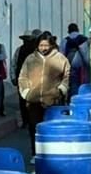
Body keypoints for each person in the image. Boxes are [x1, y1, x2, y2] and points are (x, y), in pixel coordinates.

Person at [18, 32, 70, 162]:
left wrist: (59, 91)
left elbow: (67, 78)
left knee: (52, 129)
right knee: (34, 128)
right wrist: (26, 93)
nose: (43, 48)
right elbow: (22, 77)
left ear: (51, 45)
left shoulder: (61, 59)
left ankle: (53, 154)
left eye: (46, 45)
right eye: (41, 45)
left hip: (53, 102)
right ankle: (36, 154)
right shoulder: (30, 59)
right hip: (33, 101)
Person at [12, 29, 41, 129]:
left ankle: (28, 121)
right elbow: (14, 64)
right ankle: (28, 121)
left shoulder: (34, 50)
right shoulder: (21, 50)